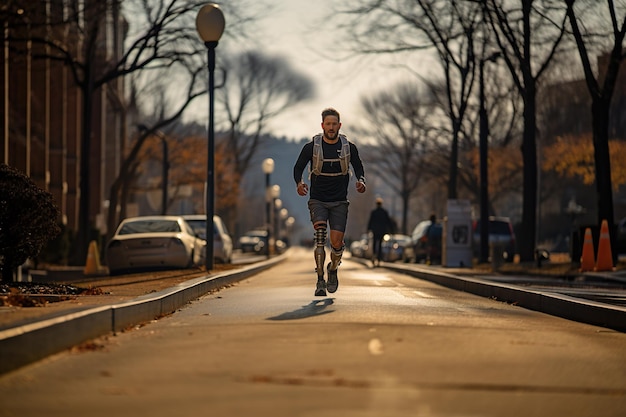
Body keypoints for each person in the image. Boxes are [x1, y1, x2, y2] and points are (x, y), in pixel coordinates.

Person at [293, 108, 367, 296]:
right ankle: (319, 281)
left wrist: (361, 181)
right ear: (322, 126)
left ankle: (333, 268)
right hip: (318, 199)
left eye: (334, 124)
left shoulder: (349, 147)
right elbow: (298, 167)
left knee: (336, 242)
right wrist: (299, 183)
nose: (331, 127)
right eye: (328, 124)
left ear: (339, 126)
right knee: (320, 237)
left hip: (339, 201)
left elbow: (358, 167)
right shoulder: (311, 147)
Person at [367, 197, 394, 267]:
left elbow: (370, 221)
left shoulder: (374, 212)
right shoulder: (384, 212)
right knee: (380, 245)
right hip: (382, 231)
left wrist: (368, 229)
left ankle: (374, 255)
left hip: (375, 230)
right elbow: (388, 221)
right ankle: (378, 259)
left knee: (374, 244)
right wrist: (391, 230)